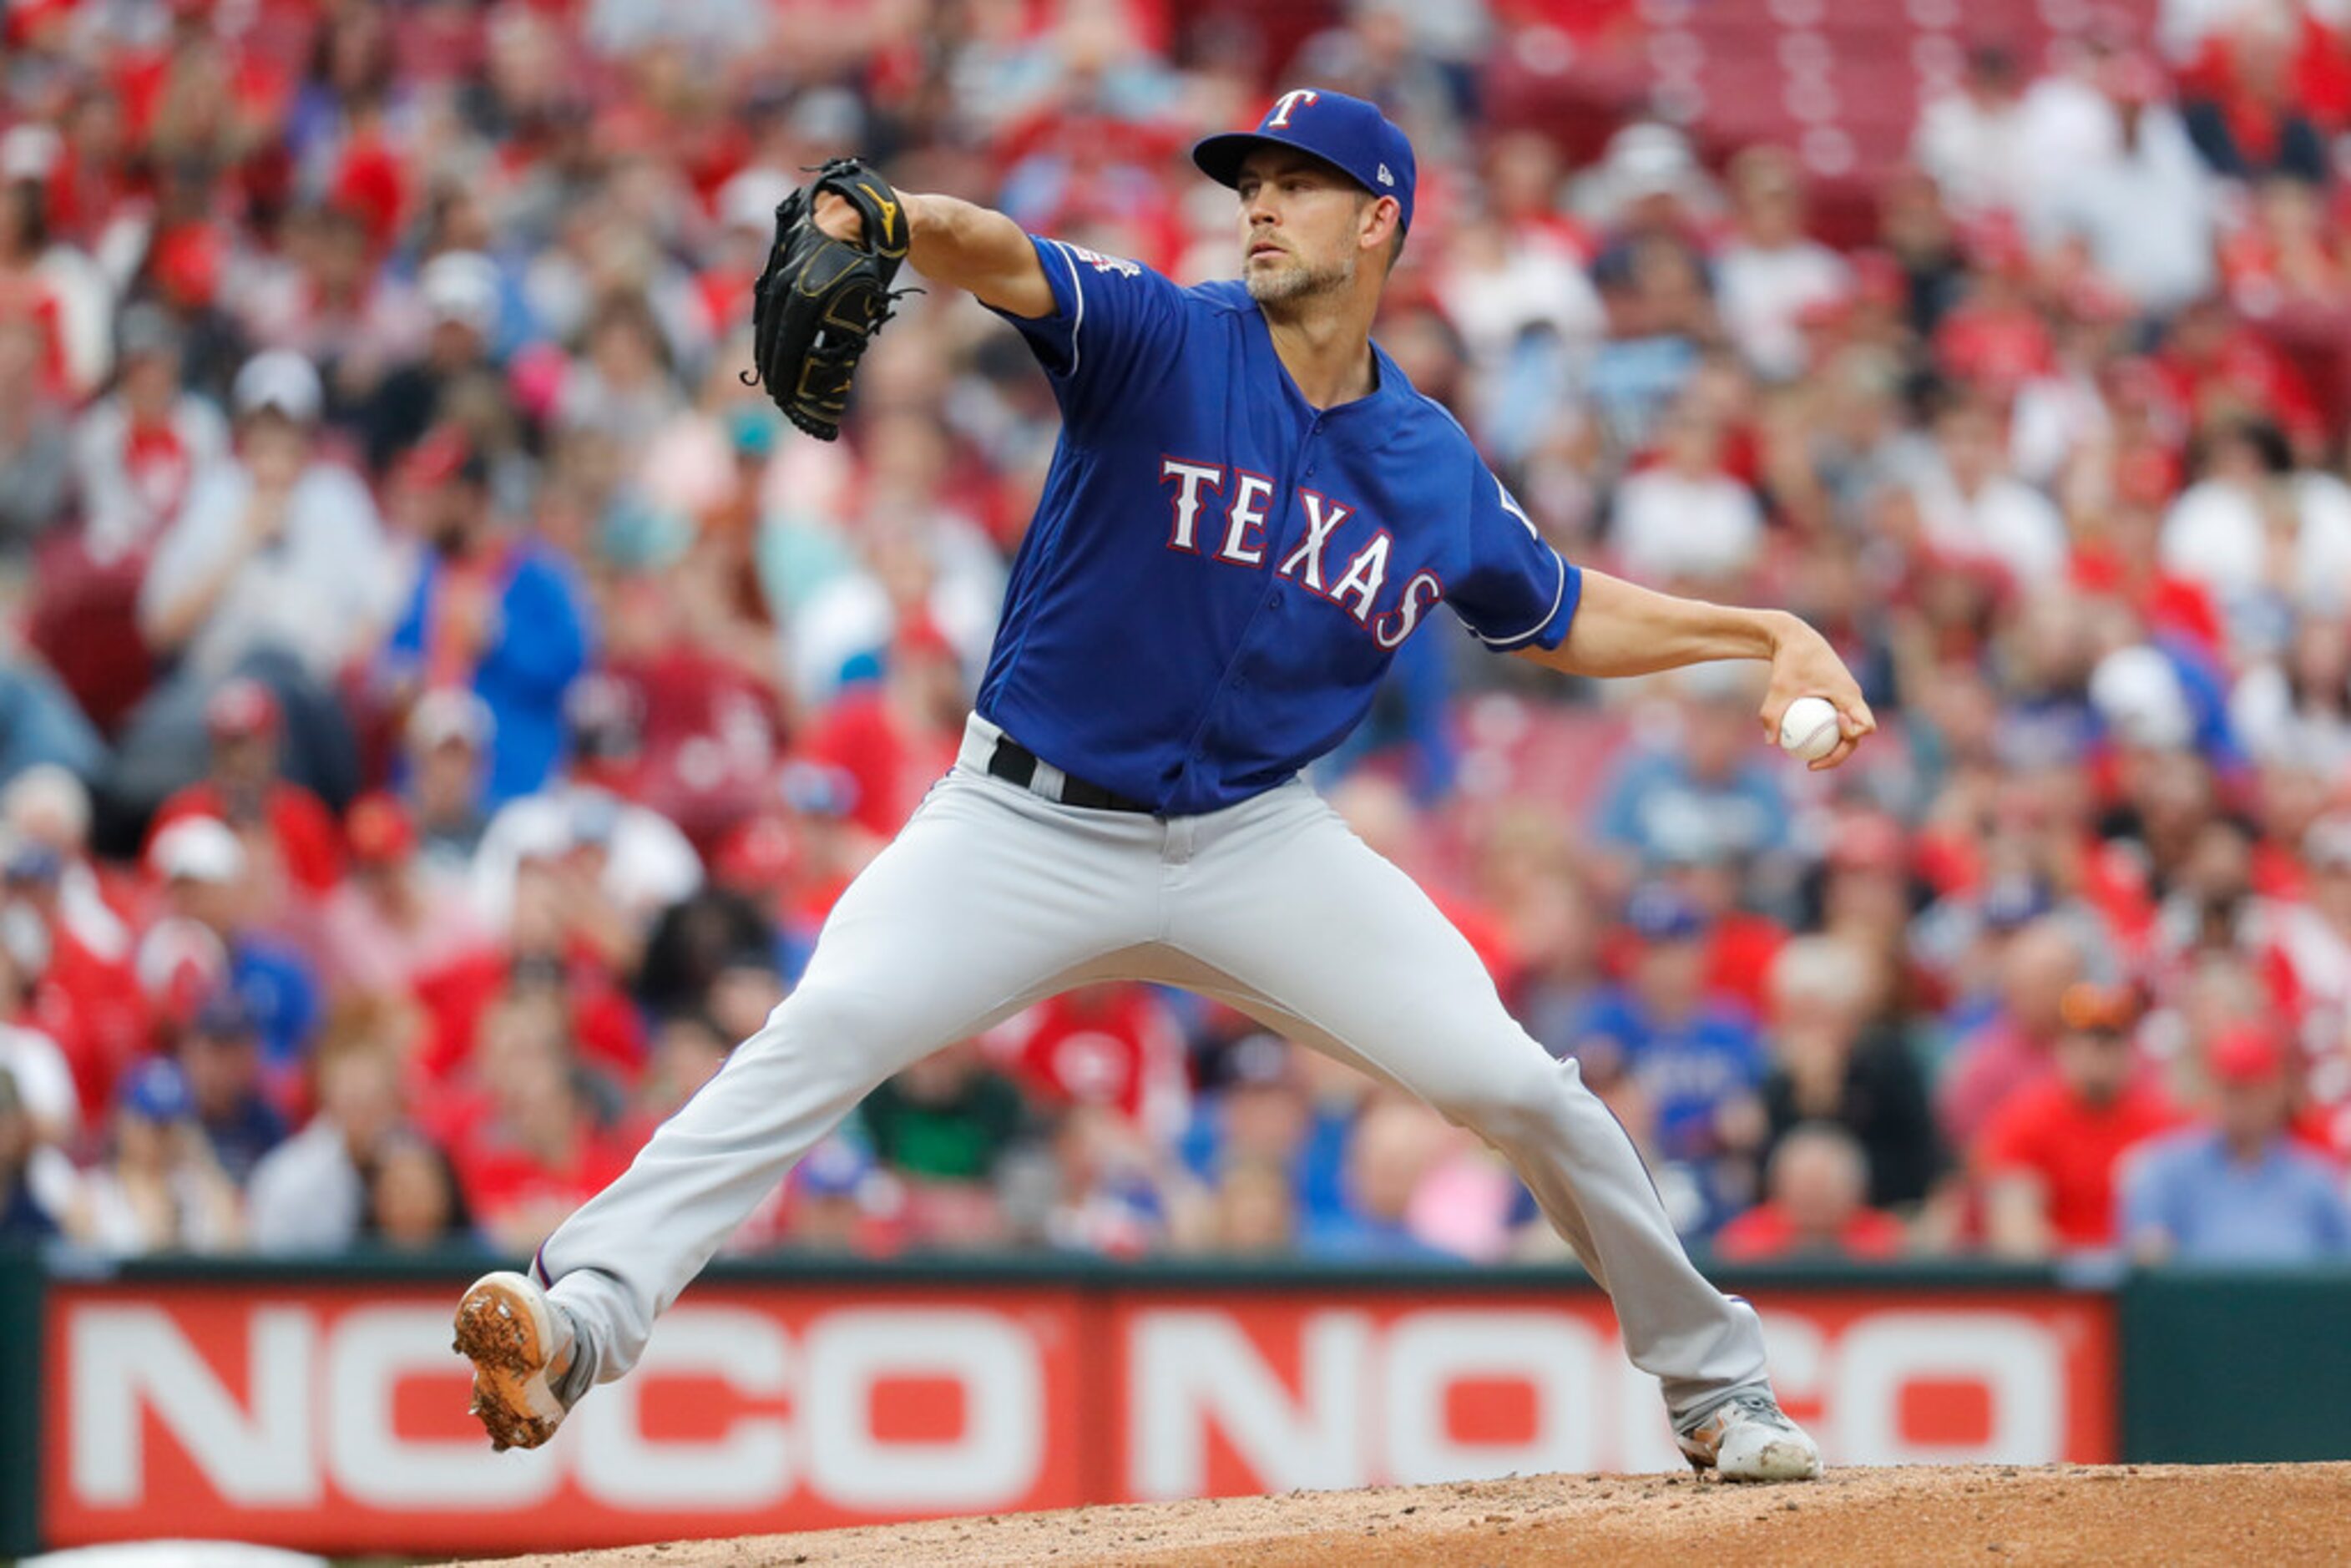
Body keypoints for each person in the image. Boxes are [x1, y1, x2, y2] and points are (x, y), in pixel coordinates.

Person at [453, 89, 1873, 1482]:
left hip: (1255, 840)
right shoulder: (1166, 336)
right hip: (1021, 820)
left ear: (1377, 221)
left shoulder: (1428, 462)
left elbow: (1557, 610)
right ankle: (581, 1318)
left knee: (1520, 1084)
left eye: (1296, 183)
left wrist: (1756, 631)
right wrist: (891, 214)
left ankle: (1716, 1385)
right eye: (1248, 181)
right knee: (818, 1031)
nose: (1258, 203)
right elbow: (997, 255)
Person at [2119, 1029, 2351, 1264]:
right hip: (2201, 1300)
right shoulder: (2167, 1171)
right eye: (2232, 1089)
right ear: (2214, 1089)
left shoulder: (2314, 1178)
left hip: (2291, 1301)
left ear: (2276, 1092)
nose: (2242, 1103)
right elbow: (2144, 1246)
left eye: (2252, 1090)